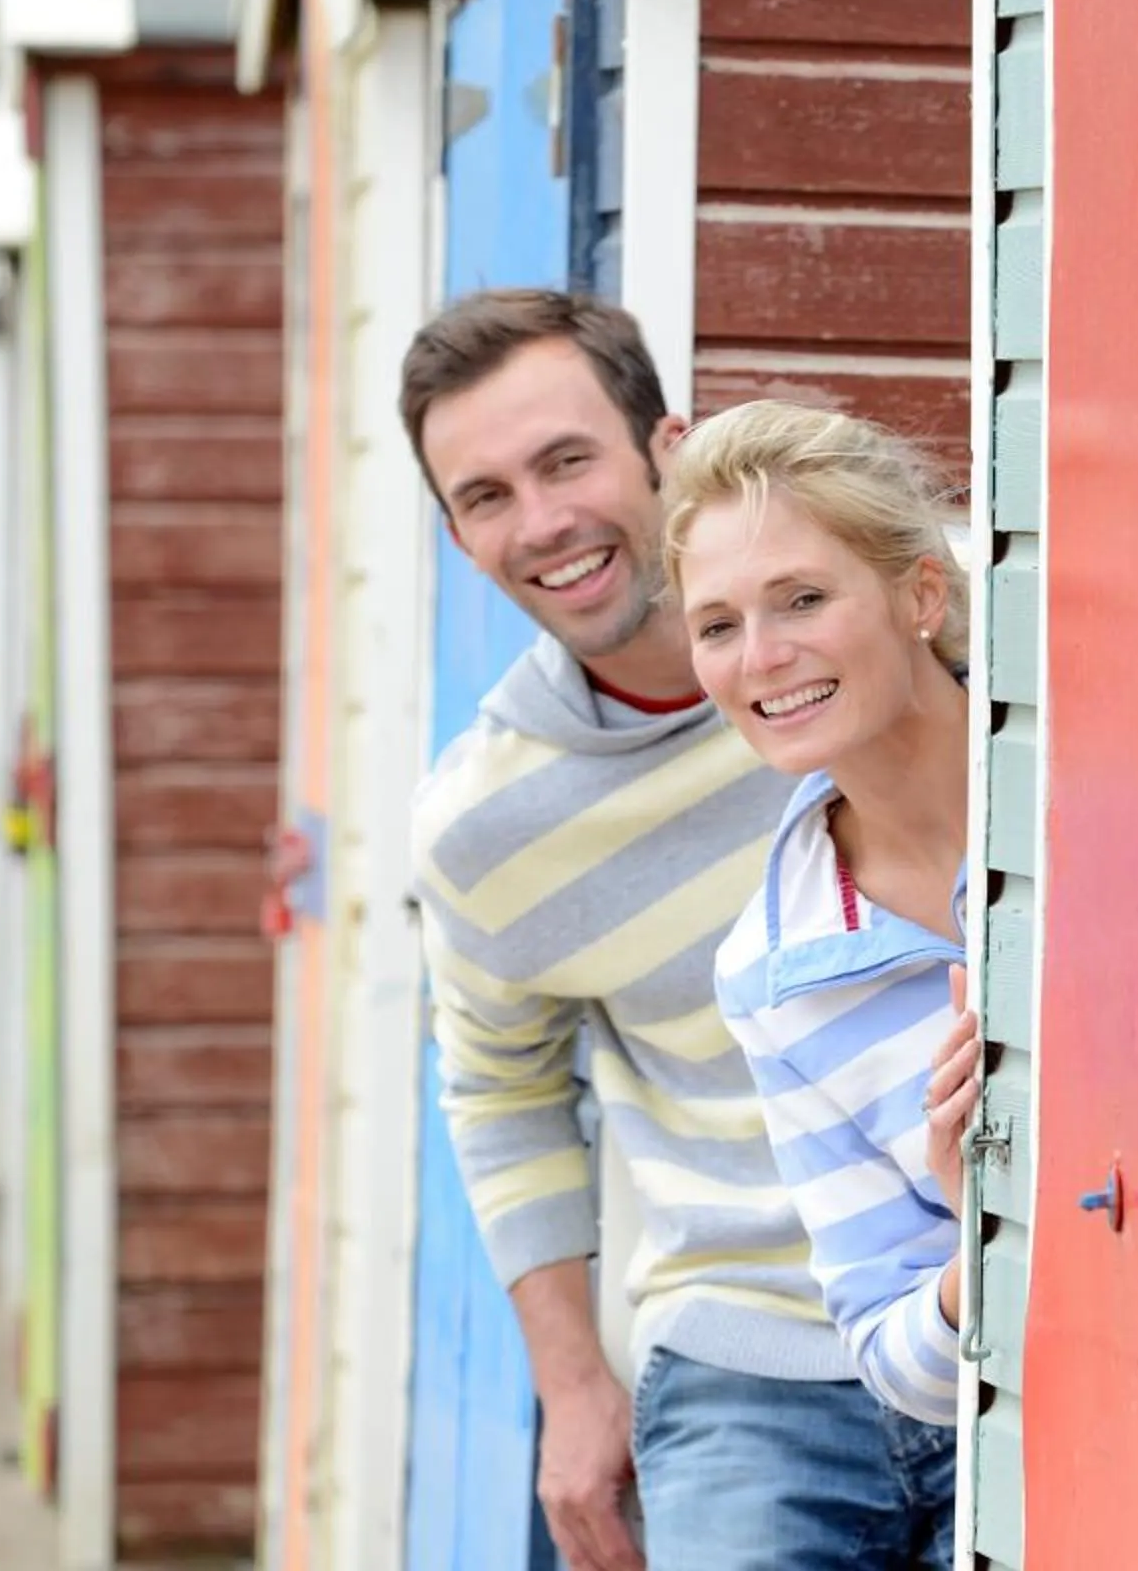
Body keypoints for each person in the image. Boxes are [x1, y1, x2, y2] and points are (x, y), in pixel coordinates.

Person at [402, 293, 980, 1570]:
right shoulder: (484, 827)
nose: (543, 520)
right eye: (486, 495)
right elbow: (498, 1096)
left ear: (667, 446)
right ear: (456, 536)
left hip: (1007, 1291)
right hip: (750, 1363)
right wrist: (573, 1388)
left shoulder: (894, 621)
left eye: (566, 459)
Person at [662, 400, 987, 1432]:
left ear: (920, 594)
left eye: (800, 598)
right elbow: (901, 1361)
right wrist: (985, 1231)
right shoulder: (772, 970)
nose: (760, 656)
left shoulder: (1091, 774)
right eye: (718, 624)